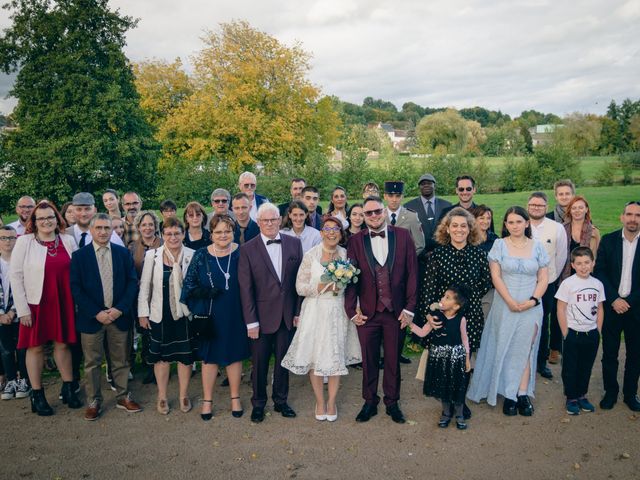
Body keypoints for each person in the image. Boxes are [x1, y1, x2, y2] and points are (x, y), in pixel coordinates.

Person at [467, 206, 549, 417]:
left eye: (519, 222)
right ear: (505, 225)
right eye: (510, 222)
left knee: (526, 348)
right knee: (505, 346)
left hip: (532, 306)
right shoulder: (499, 245)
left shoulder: (537, 247)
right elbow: (496, 277)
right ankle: (507, 394)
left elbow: (543, 278)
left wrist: (532, 301)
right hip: (504, 304)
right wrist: (511, 301)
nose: (515, 226)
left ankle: (521, 393)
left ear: (526, 223)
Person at [345, 196, 418, 424]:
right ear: (363, 216)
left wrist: (409, 309)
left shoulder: (403, 236)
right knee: (369, 359)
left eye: (377, 211)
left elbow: (413, 275)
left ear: (384, 212)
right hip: (368, 312)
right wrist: (351, 310)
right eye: (369, 213)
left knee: (393, 360)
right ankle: (369, 401)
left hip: (396, 312)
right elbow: (350, 279)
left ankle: (392, 402)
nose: (374, 216)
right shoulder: (355, 241)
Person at [281, 216, 362, 421]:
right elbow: (300, 287)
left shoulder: (346, 255)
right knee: (315, 358)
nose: (332, 232)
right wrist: (318, 288)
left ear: (341, 234)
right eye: (327, 228)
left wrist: (356, 307)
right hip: (315, 310)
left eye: (336, 229)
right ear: (321, 232)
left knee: (335, 357)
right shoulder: (311, 255)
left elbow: (354, 287)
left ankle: (332, 402)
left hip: (337, 311)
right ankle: (319, 401)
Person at [11, 201, 82, 415]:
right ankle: (37, 394)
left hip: (64, 301)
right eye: (41, 218)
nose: (46, 221)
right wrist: (22, 309)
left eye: (50, 217)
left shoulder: (68, 240)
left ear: (57, 218)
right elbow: (15, 276)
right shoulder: (24, 242)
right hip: (35, 303)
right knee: (35, 347)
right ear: (34, 221)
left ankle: (69, 388)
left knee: (63, 344)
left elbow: (77, 271)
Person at [70, 214, 141, 420]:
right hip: (92, 318)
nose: (103, 232)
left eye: (106, 228)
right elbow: (76, 288)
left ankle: (123, 395)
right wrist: (96, 312)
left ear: (112, 230)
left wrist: (119, 309)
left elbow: (131, 282)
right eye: (98, 228)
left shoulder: (122, 253)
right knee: (92, 362)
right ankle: (94, 400)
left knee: (120, 360)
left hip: (118, 315)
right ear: (91, 230)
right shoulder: (80, 256)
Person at [238, 203, 303, 423]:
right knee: (259, 364)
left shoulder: (294, 244)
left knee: (283, 362)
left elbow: (298, 284)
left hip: (286, 316)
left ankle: (281, 401)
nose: (269, 224)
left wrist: (297, 312)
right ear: (258, 222)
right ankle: (258, 403)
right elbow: (245, 289)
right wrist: (251, 322)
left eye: (273, 219)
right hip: (260, 318)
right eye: (265, 220)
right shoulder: (247, 249)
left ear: (280, 220)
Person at [182, 215, 250, 421]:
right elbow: (188, 285)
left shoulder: (242, 252)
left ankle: (235, 398)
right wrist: (204, 293)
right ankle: (207, 400)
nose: (223, 235)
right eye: (219, 232)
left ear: (233, 232)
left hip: (236, 312)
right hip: (210, 313)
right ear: (211, 234)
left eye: (227, 231)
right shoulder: (202, 255)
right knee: (209, 358)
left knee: (234, 355)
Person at [138, 217, 195, 415]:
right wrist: (142, 314)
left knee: (185, 358)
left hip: (184, 314)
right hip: (159, 313)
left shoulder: (192, 255)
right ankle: (162, 396)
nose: (173, 237)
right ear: (163, 235)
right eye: (169, 234)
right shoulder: (153, 255)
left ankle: (183, 395)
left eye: (177, 233)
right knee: (161, 358)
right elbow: (144, 286)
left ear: (183, 234)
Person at [594, 201, 640, 412]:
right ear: (622, 217)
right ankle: (610, 392)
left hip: (637, 309)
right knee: (610, 353)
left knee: (635, 354)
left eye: (638, 215)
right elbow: (600, 272)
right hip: (612, 307)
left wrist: (628, 302)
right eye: (629, 214)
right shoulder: (609, 240)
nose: (633, 219)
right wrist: (614, 299)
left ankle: (630, 394)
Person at [410, 286, 471, 430]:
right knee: (443, 386)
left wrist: (467, 358)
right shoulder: (435, 318)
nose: (442, 298)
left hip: (456, 358)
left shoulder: (461, 320)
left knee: (457, 387)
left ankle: (460, 415)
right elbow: (423, 332)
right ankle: (446, 413)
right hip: (439, 358)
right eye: (443, 296)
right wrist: (410, 324)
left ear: (456, 306)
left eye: (447, 297)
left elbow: (465, 339)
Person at [556, 246, 605, 415]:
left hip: (591, 334)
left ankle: (582, 395)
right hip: (573, 333)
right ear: (573, 265)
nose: (583, 266)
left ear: (593, 263)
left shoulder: (597, 284)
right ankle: (571, 397)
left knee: (586, 366)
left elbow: (599, 308)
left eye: (587, 262)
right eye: (579, 263)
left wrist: (597, 330)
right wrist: (565, 332)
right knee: (570, 367)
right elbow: (561, 308)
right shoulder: (568, 284)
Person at [527, 192, 568, 379]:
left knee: (542, 324)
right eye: (533, 205)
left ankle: (541, 362)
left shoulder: (556, 228)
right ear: (528, 206)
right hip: (523, 283)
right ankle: (522, 361)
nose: (536, 208)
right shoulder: (521, 223)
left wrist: (550, 278)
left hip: (547, 285)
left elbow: (561, 257)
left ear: (546, 206)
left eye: (540, 205)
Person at [128, 210, 162, 384]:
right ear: (138, 227)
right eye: (144, 225)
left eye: (150, 224)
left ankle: (159, 366)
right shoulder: (133, 247)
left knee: (158, 330)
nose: (147, 228)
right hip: (140, 295)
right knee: (145, 331)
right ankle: (148, 364)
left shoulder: (163, 243)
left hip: (160, 295)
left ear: (155, 226)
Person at [0, 225, 30, 401]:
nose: (7, 241)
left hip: (19, 312)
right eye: (3, 238)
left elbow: (24, 288)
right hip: (1, 316)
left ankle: (24, 379)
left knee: (22, 348)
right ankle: (11, 380)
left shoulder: (21, 262)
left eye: (11, 238)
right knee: (5, 349)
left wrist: (13, 311)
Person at [404, 174, 451, 254]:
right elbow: (407, 234)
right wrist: (422, 253)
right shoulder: (409, 206)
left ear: (434, 186)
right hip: (419, 256)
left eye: (429, 183)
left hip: (443, 254)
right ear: (419, 187)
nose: (426, 185)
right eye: (423, 184)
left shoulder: (447, 205)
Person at [561, 196, 601, 281]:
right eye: (574, 208)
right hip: (565, 275)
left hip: (588, 275)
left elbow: (598, 256)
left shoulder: (594, 232)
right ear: (570, 210)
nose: (577, 211)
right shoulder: (561, 229)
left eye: (580, 207)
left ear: (586, 209)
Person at [383, 181, 424, 256]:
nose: (394, 199)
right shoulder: (379, 216)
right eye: (390, 196)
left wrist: (406, 259)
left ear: (402, 197)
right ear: (385, 196)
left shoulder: (411, 216)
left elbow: (420, 245)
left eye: (398, 196)